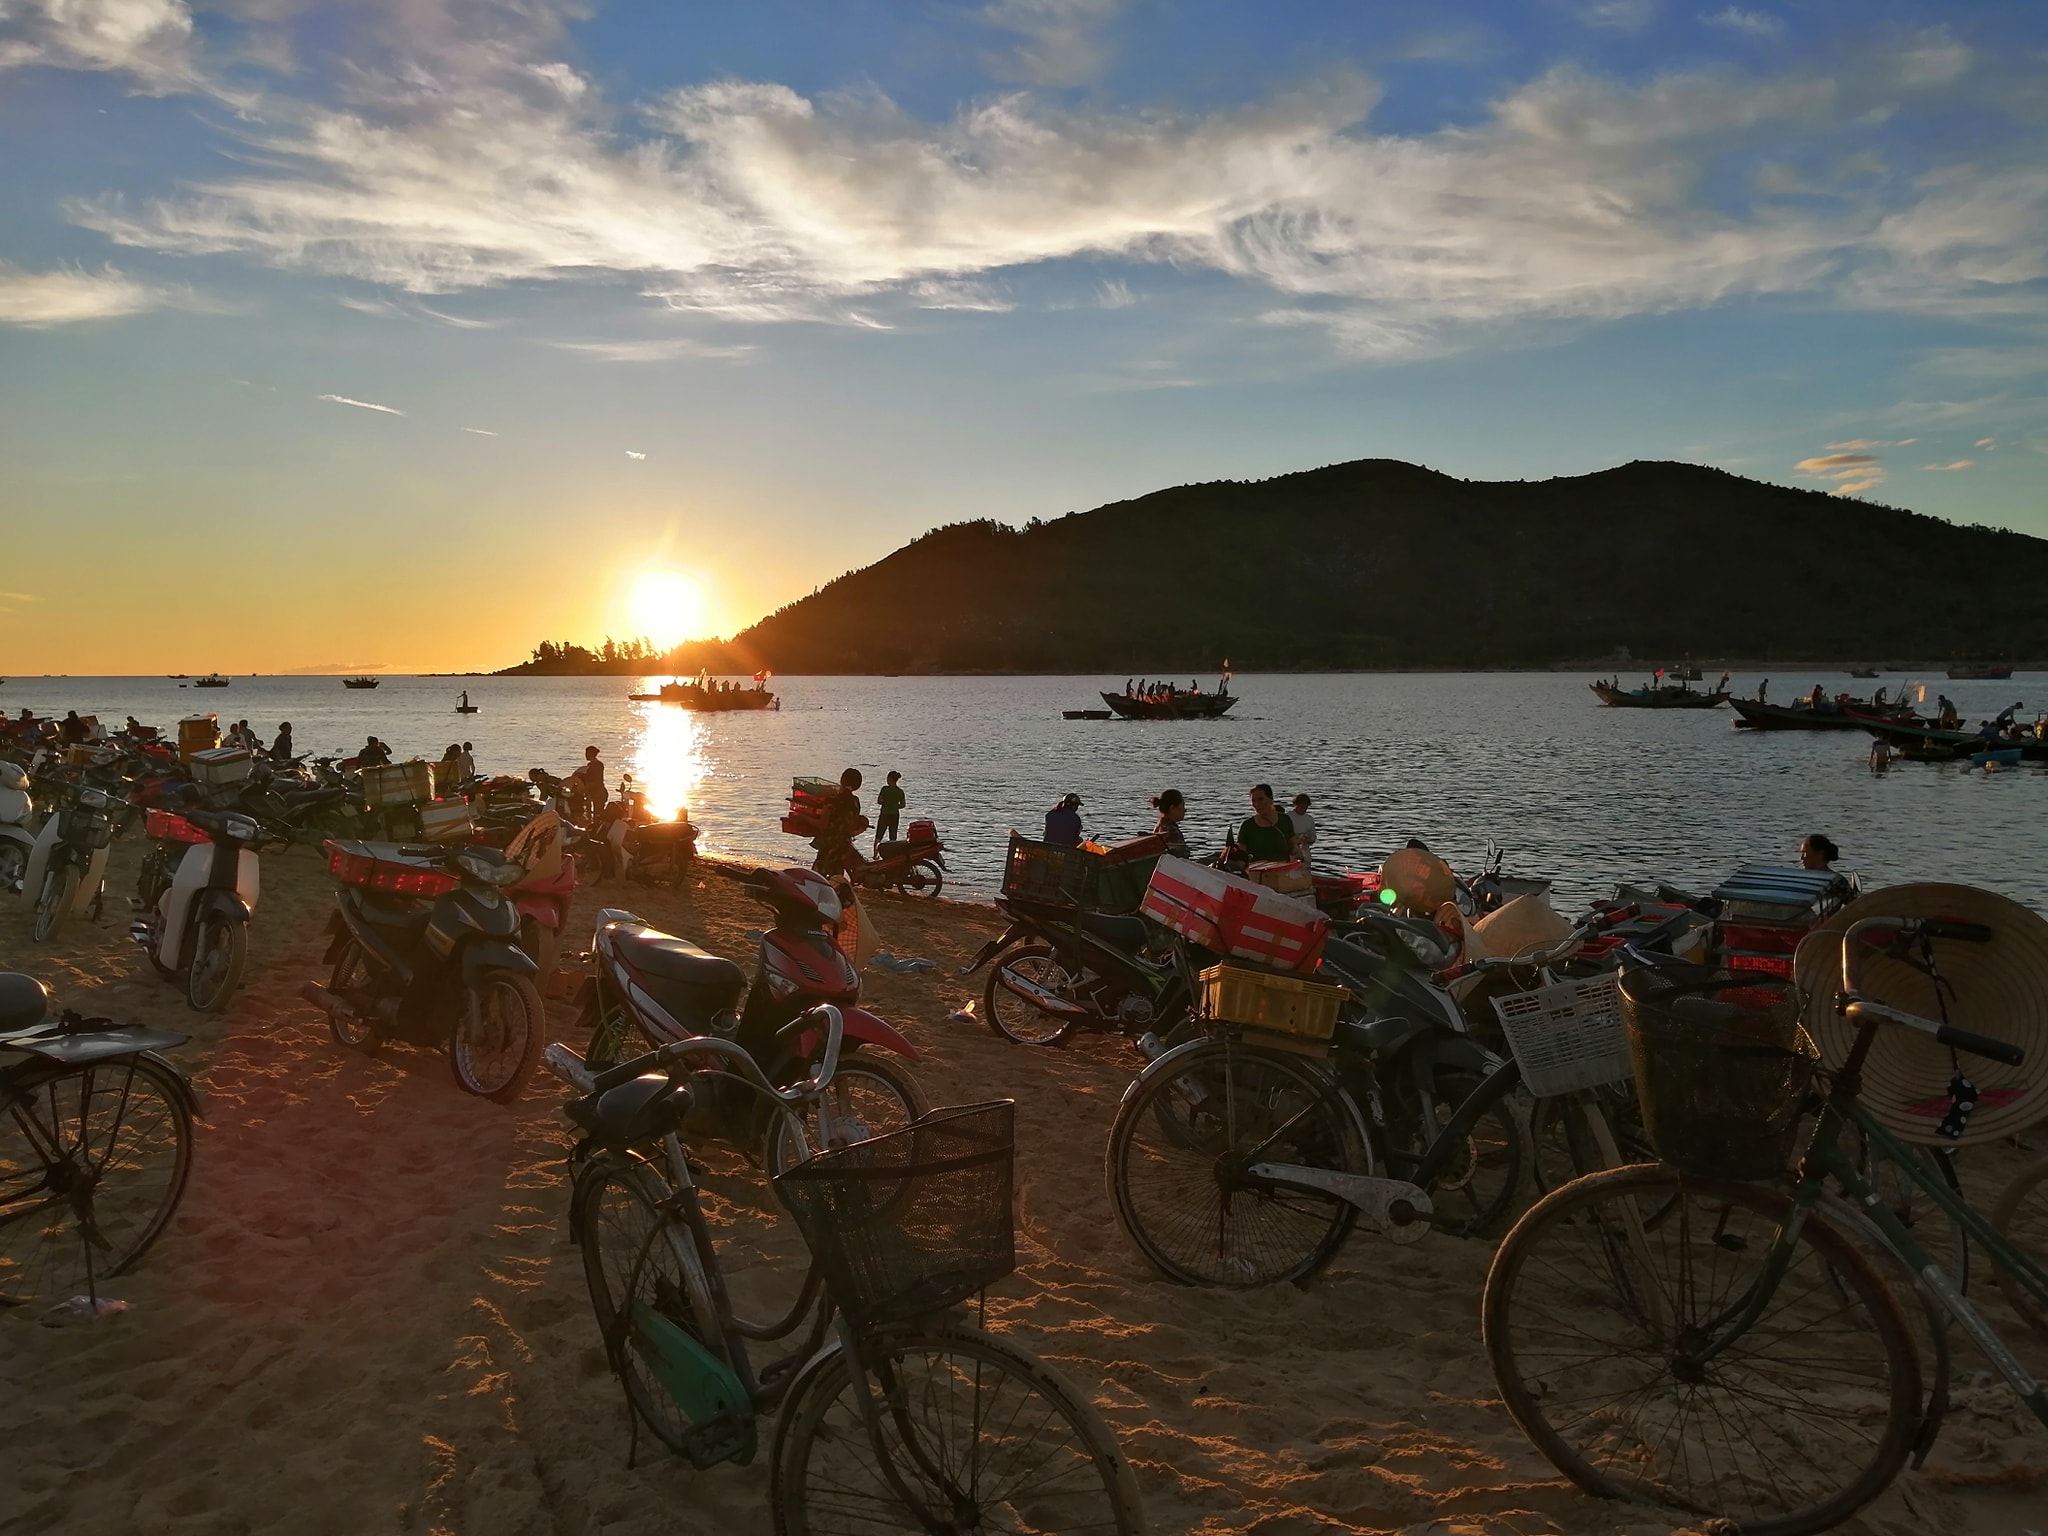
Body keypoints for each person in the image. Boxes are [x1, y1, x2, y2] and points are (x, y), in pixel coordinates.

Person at [815, 768, 868, 876]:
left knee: (817, 879)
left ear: (842, 780)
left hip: (829, 845)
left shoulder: (832, 800)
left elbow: (822, 826)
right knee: (837, 878)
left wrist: (803, 819)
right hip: (844, 846)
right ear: (858, 785)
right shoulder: (855, 802)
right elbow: (851, 827)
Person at [1232, 784, 1294, 864]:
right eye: (1253, 800)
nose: (1257, 804)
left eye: (1261, 799)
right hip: (1257, 873)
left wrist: (1296, 852)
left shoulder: (1285, 820)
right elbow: (1241, 856)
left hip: (1283, 872)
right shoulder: (1247, 826)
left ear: (1271, 799)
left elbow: (1293, 845)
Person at [570, 745, 608, 819]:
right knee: (591, 813)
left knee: (597, 815)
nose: (585, 755)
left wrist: (582, 789)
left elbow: (593, 782)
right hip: (594, 793)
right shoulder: (591, 765)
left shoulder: (597, 765)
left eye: (586, 753)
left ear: (591, 754)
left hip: (599, 793)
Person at [1150, 788, 1189, 858]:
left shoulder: (1160, 825)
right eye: (1182, 806)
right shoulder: (1171, 830)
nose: (1185, 810)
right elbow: (1183, 857)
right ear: (1172, 808)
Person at [874, 770, 905, 848]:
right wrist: (894, 805)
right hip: (895, 815)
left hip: (884, 814)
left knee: (879, 836)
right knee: (893, 837)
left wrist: (886, 803)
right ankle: (892, 854)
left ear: (890, 779)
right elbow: (903, 805)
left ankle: (875, 855)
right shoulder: (900, 791)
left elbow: (879, 801)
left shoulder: (884, 789)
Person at [1289, 793, 1317, 869]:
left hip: (1305, 854)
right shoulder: (1288, 817)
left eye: (1306, 807)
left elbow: (1313, 837)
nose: (1303, 809)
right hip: (1291, 854)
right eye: (1301, 807)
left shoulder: (1309, 819)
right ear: (1296, 804)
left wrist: (1308, 839)